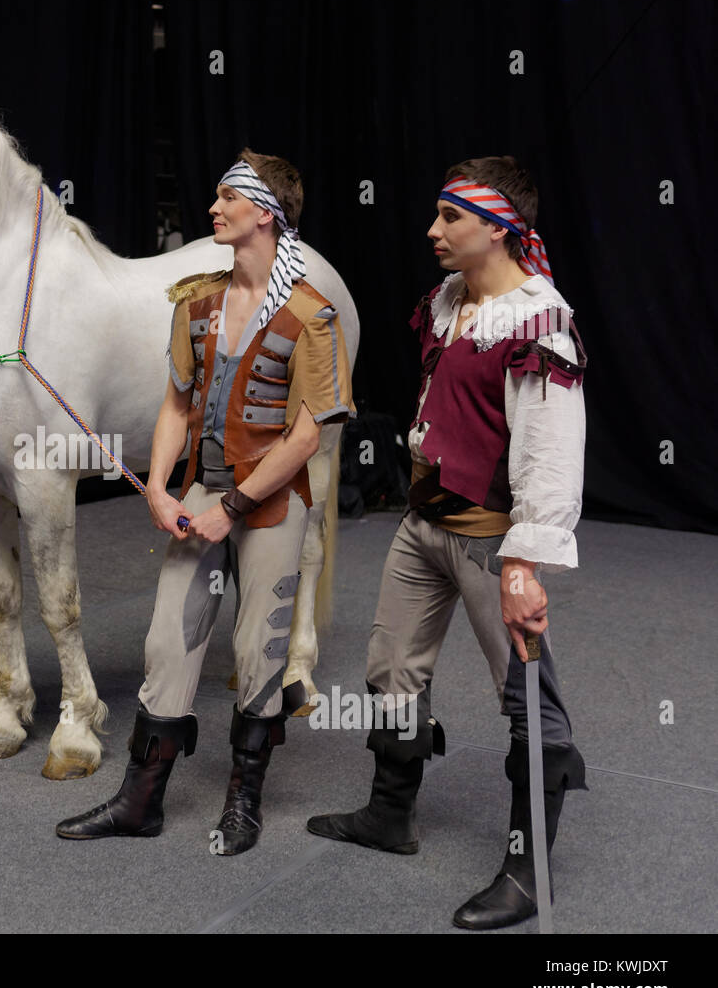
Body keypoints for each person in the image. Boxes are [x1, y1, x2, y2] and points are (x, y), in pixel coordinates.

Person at [306, 156, 589, 929]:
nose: (432, 230)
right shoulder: (450, 300)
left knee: (531, 701)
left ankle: (528, 875)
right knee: (391, 667)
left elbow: (549, 452)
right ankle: (389, 817)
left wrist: (525, 562)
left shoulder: (538, 321)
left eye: (449, 218)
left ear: (497, 228)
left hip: (490, 538)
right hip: (423, 522)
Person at [56, 150, 354, 854]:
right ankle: (141, 798)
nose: (213, 209)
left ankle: (243, 798)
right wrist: (159, 486)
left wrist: (236, 505)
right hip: (201, 491)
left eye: (228, 199)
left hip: (272, 502)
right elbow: (176, 403)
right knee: (168, 637)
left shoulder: (312, 315)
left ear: (266, 214)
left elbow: (312, 431)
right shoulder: (197, 302)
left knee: (260, 647)